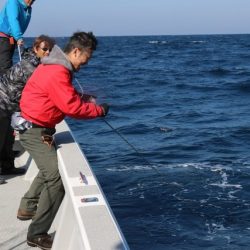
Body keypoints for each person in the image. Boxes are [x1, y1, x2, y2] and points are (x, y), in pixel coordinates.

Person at [17, 31, 109, 249]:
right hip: (34, 131)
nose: (88, 62)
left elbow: (63, 96)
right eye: (88, 56)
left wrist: (83, 98)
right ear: (76, 51)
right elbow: (71, 107)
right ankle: (37, 234)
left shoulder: (55, 66)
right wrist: (98, 111)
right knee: (55, 180)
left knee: (48, 169)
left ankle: (27, 207)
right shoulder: (58, 71)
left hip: (39, 128)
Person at [0, 35, 55, 184]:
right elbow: (44, 88)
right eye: (45, 49)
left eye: (51, 50)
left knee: (7, 138)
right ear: (36, 49)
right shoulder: (30, 66)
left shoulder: (37, 62)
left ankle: (7, 166)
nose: (48, 52)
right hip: (2, 102)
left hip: (10, 105)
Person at [0, 0, 36, 181]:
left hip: (10, 42)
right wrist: (19, 36)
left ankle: (6, 163)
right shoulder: (13, 2)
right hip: (2, 41)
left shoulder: (29, 9)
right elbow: (13, 20)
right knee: (5, 90)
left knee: (8, 111)